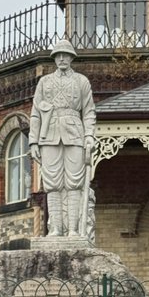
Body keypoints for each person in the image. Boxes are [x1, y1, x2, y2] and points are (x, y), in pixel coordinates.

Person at [29, 39, 96, 237]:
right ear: (54, 58)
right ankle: (56, 228)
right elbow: (35, 113)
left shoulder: (81, 81)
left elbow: (89, 112)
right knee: (52, 184)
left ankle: (74, 229)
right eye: (58, 55)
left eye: (66, 55)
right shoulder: (44, 82)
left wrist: (89, 135)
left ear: (71, 58)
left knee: (74, 183)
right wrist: (33, 140)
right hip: (48, 135)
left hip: (75, 134)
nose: (62, 59)